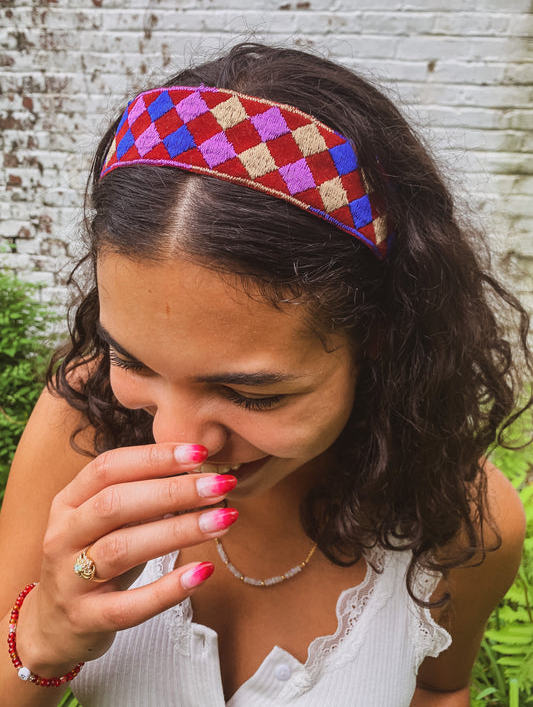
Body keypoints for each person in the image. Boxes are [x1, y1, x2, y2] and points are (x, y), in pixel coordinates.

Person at [0, 42, 530, 707]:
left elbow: (438, 688)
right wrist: (45, 638)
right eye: (132, 359)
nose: (173, 434)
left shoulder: (459, 521)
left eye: (249, 392)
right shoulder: (82, 423)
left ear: (380, 338)